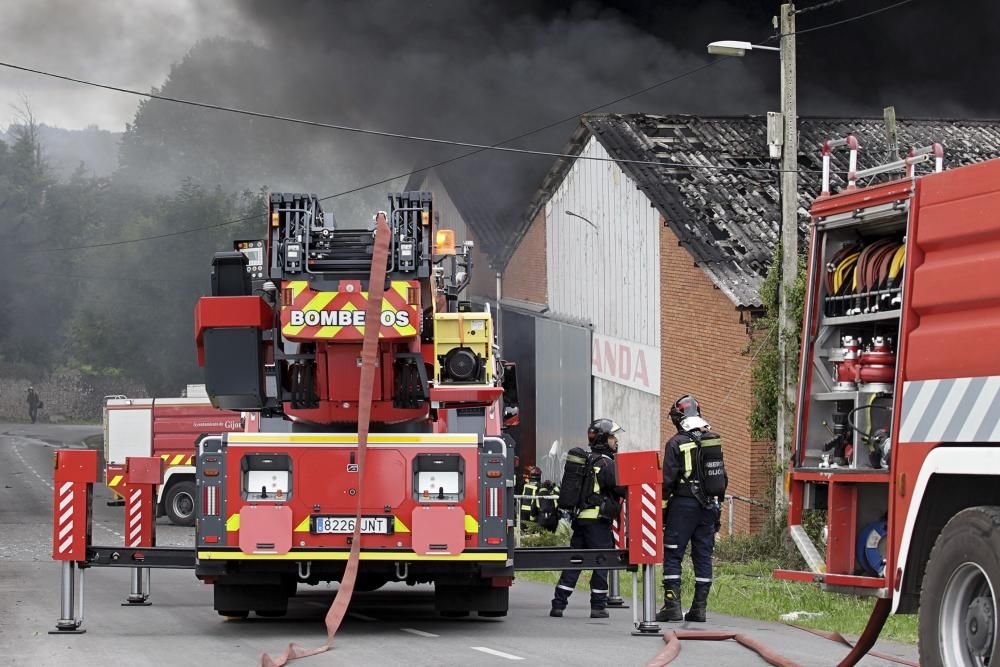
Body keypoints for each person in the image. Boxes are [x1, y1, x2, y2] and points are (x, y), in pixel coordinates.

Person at [657, 395, 727, 623]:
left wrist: (662, 511)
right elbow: (722, 479)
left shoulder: (676, 443)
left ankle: (672, 606)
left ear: (679, 418)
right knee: (703, 556)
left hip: (683, 505)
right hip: (709, 505)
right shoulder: (711, 440)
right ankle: (699, 609)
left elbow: (667, 482)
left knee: (673, 553)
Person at [550, 418, 627, 619]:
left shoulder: (586, 460)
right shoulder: (606, 463)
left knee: (575, 560)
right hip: (598, 522)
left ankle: (559, 603)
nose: (615, 440)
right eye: (612, 436)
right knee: (601, 561)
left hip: (581, 520)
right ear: (603, 438)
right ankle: (598, 605)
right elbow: (620, 488)